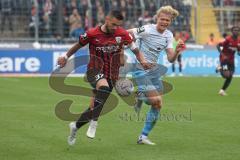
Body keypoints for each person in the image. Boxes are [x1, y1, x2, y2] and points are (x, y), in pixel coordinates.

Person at [57, 9, 151, 146]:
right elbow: (77, 46)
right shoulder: (92, 34)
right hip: (93, 71)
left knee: (93, 108)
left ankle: (75, 127)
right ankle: (94, 123)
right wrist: (65, 57)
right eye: (113, 24)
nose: (115, 28)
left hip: (112, 74)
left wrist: (142, 61)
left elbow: (135, 49)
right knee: (104, 87)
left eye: (117, 25)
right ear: (107, 19)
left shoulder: (122, 34)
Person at [127, 5, 185, 145]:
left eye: (168, 20)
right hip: (140, 69)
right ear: (157, 18)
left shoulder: (168, 35)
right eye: (162, 19)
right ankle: (140, 95)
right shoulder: (146, 29)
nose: (165, 22)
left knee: (157, 104)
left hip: (154, 72)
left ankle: (143, 136)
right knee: (156, 100)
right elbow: (127, 34)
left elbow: (170, 58)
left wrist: (177, 51)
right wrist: (135, 51)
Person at [216, 26, 240, 96]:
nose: (236, 31)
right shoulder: (228, 39)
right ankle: (220, 68)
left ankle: (222, 91)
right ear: (232, 31)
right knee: (226, 75)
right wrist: (222, 55)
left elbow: (238, 50)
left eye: (237, 30)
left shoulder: (239, 40)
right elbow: (218, 45)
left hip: (231, 60)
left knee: (230, 76)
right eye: (235, 30)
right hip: (224, 59)